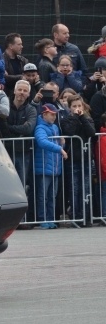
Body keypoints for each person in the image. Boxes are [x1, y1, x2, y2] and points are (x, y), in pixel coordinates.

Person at [60, 94, 96, 226]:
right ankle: (76, 217)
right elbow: (69, 132)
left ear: (83, 106)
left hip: (86, 158)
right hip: (73, 159)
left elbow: (92, 133)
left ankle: (86, 217)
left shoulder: (87, 118)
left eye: (79, 106)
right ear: (69, 108)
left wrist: (83, 117)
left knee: (86, 189)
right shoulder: (66, 119)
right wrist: (75, 117)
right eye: (74, 106)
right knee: (74, 189)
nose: (77, 108)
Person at [5, 80, 37, 226]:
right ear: (15, 91)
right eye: (20, 90)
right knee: (6, 186)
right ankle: (8, 220)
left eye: (25, 91)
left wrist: (10, 128)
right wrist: (15, 129)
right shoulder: (6, 106)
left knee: (21, 186)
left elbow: (28, 129)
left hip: (23, 153)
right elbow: (2, 127)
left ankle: (21, 220)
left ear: (29, 94)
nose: (22, 93)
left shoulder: (31, 110)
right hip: (5, 152)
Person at [34, 104, 67, 229]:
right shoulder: (40, 128)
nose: (54, 116)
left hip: (54, 168)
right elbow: (42, 142)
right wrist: (60, 148)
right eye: (51, 114)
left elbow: (55, 145)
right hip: (43, 168)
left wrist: (62, 145)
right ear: (44, 114)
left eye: (55, 114)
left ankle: (51, 219)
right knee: (43, 196)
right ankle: (43, 219)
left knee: (51, 196)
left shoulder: (55, 127)